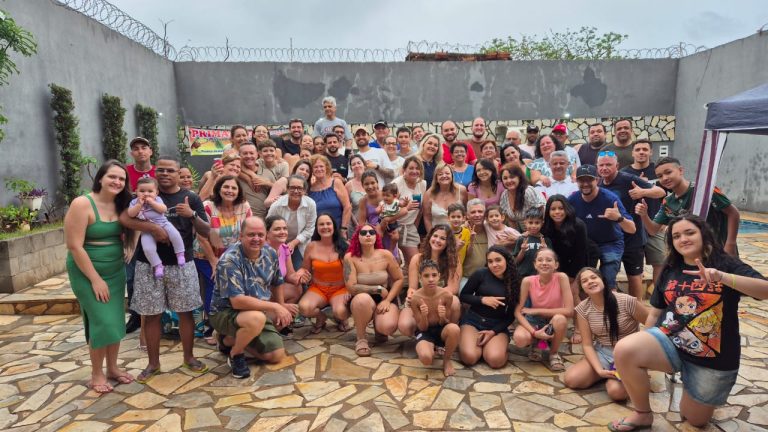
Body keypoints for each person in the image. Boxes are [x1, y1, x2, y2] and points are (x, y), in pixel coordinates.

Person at [608, 215, 768, 430]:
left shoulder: (725, 264)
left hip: (713, 358)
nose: (683, 239)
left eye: (690, 232)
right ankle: (642, 414)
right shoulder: (671, 267)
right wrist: (643, 345)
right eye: (676, 236)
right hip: (672, 342)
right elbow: (655, 312)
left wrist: (721, 277)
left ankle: (692, 389)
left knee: (695, 420)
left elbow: (765, 290)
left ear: (703, 234)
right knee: (626, 349)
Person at [119, 156, 211, 384]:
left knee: (186, 312)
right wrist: (152, 228)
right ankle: (153, 363)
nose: (165, 174)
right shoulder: (144, 193)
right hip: (148, 264)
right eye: (160, 170)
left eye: (170, 170)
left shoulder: (190, 198)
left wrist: (192, 215)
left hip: (182, 264)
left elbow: (206, 230)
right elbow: (125, 219)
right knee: (151, 315)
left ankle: (189, 357)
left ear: (179, 173)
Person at [65, 160, 134, 393]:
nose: (117, 182)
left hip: (115, 270)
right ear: (100, 178)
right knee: (101, 321)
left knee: (115, 320)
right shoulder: (82, 204)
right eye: (112, 177)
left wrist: (130, 248)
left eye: (122, 179)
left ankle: (113, 368)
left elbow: (136, 226)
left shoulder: (122, 204)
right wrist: (95, 279)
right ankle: (96, 374)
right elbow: (74, 246)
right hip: (87, 271)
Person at [210, 217, 297, 378]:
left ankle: (228, 340)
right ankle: (236, 353)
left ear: (266, 236)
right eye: (251, 235)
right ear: (241, 236)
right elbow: (237, 301)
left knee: (276, 355)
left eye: (260, 235)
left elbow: (277, 282)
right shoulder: (230, 260)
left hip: (256, 311)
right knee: (257, 319)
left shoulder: (270, 253)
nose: (256, 239)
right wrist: (275, 306)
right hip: (225, 312)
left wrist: (281, 305)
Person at [564, 267, 648, 402]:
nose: (590, 281)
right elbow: (587, 345)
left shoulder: (626, 301)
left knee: (616, 393)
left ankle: (629, 373)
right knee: (572, 379)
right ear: (582, 288)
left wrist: (641, 353)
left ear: (602, 280)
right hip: (604, 352)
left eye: (593, 277)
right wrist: (598, 370)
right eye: (584, 281)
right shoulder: (583, 309)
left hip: (628, 353)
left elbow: (651, 325)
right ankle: (607, 373)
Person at [635, 156, 740, 256]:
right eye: (660, 176)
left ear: (681, 170)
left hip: (720, 250)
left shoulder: (703, 190)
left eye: (668, 172)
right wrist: (644, 215)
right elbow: (653, 230)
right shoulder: (668, 201)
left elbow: (733, 213)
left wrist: (730, 244)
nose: (665, 178)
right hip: (693, 256)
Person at [598, 151, 665, 300]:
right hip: (611, 240)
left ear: (617, 165)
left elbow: (660, 192)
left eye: (608, 164)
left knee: (634, 277)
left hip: (632, 238)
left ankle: (637, 308)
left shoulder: (628, 179)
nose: (604, 168)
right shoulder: (598, 184)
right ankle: (613, 310)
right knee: (608, 278)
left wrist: (643, 192)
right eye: (601, 165)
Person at [193, 175, 252, 343]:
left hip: (233, 257)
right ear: (218, 189)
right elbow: (201, 237)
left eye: (234, 188)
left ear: (239, 191)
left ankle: (229, 325)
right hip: (206, 256)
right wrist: (214, 262)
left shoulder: (244, 206)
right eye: (226, 187)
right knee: (215, 286)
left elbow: (247, 232)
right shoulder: (208, 207)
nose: (230, 191)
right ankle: (213, 327)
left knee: (236, 289)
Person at [568, 165, 636, 292]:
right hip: (586, 244)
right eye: (582, 180)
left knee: (607, 281)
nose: (585, 184)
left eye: (589, 179)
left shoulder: (610, 199)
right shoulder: (572, 199)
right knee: (585, 279)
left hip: (610, 243)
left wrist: (618, 218)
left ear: (597, 180)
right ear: (576, 181)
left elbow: (632, 229)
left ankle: (611, 300)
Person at [346, 224, 404, 355]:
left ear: (376, 236)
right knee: (362, 300)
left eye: (371, 232)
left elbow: (399, 279)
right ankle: (361, 338)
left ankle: (379, 329)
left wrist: (388, 300)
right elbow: (351, 287)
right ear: (357, 237)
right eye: (363, 233)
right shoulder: (350, 257)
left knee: (387, 327)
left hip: (385, 298)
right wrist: (377, 289)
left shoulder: (386, 255)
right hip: (361, 298)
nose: (368, 235)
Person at [459, 246, 520, 369]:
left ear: (507, 260)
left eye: (498, 260)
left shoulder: (515, 281)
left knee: (495, 360)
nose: (494, 265)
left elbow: (510, 316)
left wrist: (493, 332)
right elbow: (464, 296)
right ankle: (474, 345)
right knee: (469, 357)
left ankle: (493, 347)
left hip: (496, 326)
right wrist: (482, 299)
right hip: (473, 321)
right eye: (490, 261)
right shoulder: (481, 274)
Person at [513, 249, 574, 371]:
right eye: (540, 260)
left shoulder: (561, 278)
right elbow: (518, 311)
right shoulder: (528, 281)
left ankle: (553, 353)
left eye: (549, 260)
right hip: (534, 320)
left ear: (556, 265)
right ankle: (536, 341)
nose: (544, 263)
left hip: (554, 320)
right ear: (535, 264)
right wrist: (534, 332)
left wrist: (537, 310)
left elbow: (569, 311)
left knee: (560, 319)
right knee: (520, 339)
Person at [399, 225, 462, 337]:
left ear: (448, 243)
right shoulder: (417, 259)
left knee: (455, 301)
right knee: (405, 325)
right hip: (420, 300)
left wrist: (432, 298)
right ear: (429, 237)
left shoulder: (453, 260)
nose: (437, 240)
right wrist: (411, 295)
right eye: (435, 236)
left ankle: (447, 335)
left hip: (441, 301)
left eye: (442, 238)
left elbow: (453, 288)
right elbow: (412, 287)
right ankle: (422, 336)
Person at [622, 139, 666, 284]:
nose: (641, 152)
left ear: (651, 152)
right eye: (638, 149)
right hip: (633, 226)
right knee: (636, 265)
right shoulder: (624, 173)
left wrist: (643, 190)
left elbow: (665, 194)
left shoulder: (658, 171)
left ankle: (657, 293)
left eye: (645, 149)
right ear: (632, 153)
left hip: (654, 223)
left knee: (660, 261)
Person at [298, 213, 351, 333]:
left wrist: (350, 288)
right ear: (317, 228)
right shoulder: (311, 246)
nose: (325, 227)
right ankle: (321, 317)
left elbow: (353, 271)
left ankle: (340, 318)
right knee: (304, 308)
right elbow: (305, 269)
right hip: (318, 288)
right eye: (321, 224)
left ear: (334, 226)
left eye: (328, 223)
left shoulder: (345, 245)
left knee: (341, 312)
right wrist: (301, 275)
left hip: (340, 288)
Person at [125, 137, 156, 334]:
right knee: (131, 276)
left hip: (155, 232)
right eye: (136, 149)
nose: (140, 151)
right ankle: (135, 315)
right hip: (130, 232)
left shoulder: (158, 173)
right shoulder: (125, 173)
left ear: (150, 151)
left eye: (144, 147)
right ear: (132, 153)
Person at [127, 178, 186, 279]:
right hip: (146, 229)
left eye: (150, 191)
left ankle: (180, 253)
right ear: (136, 191)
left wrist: (152, 203)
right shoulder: (134, 202)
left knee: (175, 235)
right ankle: (157, 265)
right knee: (147, 248)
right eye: (142, 191)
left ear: (156, 192)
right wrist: (138, 205)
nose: (146, 194)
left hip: (163, 224)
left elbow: (163, 209)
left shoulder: (157, 199)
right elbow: (130, 214)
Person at [411, 259, 461, 377]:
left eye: (434, 275)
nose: (431, 279)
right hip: (425, 331)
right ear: (420, 277)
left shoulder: (446, 295)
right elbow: (422, 328)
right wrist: (424, 315)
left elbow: (446, 322)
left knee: (454, 328)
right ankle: (432, 347)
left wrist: (442, 316)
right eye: (426, 276)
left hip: (441, 330)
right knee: (426, 359)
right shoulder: (416, 298)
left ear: (439, 276)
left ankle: (446, 360)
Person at [266, 175, 317, 270]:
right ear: (287, 189)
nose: (296, 191)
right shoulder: (277, 205)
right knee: (277, 271)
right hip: (277, 242)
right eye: (292, 187)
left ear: (304, 190)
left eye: (299, 188)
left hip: (300, 243)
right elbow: (268, 226)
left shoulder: (311, 204)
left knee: (299, 270)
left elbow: (309, 229)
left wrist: (293, 243)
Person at [391, 156, 427, 275]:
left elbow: (420, 209)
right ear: (404, 170)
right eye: (411, 168)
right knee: (395, 263)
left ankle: (409, 284)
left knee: (415, 262)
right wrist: (406, 208)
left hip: (410, 227)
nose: (414, 171)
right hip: (394, 227)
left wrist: (414, 226)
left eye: (417, 168)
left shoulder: (422, 184)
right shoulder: (396, 184)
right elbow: (388, 211)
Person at [265, 215, 308, 308]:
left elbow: (290, 275)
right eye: (277, 229)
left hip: (276, 290)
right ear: (267, 233)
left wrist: (300, 276)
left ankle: (282, 312)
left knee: (296, 288)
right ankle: (277, 310)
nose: (282, 232)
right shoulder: (262, 250)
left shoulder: (284, 248)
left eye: (285, 228)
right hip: (261, 292)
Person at [246, 140, 289, 218]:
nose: (269, 153)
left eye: (271, 150)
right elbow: (241, 165)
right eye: (265, 151)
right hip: (261, 199)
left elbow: (285, 188)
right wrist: (253, 175)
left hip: (278, 200)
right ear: (260, 153)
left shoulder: (283, 165)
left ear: (276, 152)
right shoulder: (258, 163)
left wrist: (267, 183)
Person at [308, 154, 351, 232]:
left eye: (321, 166)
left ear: (326, 167)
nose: (319, 169)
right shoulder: (309, 189)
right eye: (315, 167)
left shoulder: (336, 183)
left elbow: (347, 207)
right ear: (312, 170)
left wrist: (344, 229)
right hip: (317, 232)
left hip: (338, 230)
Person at [499, 165, 546, 231]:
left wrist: (528, 233)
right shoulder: (504, 195)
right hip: (518, 231)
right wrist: (516, 234)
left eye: (512, 177)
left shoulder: (527, 191)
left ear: (519, 178)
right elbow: (509, 219)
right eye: (505, 178)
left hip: (536, 229)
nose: (509, 180)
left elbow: (540, 211)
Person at [423, 164, 467, 231]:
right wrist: (431, 235)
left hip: (459, 234)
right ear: (436, 178)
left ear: (452, 176)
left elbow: (466, 213)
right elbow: (427, 218)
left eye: (447, 173)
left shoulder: (462, 190)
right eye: (440, 174)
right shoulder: (428, 194)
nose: (444, 176)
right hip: (437, 235)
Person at [512, 208, 552, 278]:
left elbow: (551, 260)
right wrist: (522, 250)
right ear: (525, 222)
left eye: (537, 223)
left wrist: (545, 250)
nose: (533, 226)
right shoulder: (521, 239)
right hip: (523, 276)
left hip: (541, 276)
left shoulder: (546, 240)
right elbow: (516, 261)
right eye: (530, 222)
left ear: (542, 223)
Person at [461, 199, 490, 288]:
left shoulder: (490, 229)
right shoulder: (461, 231)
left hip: (487, 277)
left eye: (480, 211)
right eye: (473, 212)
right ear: (467, 215)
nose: (477, 215)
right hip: (466, 277)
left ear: (485, 214)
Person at [345, 154, 367, 233]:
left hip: (373, 224)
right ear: (351, 168)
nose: (357, 166)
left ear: (364, 165)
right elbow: (346, 207)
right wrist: (356, 224)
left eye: (359, 163)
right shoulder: (348, 185)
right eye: (353, 164)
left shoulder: (373, 181)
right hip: (355, 226)